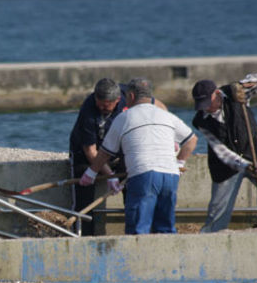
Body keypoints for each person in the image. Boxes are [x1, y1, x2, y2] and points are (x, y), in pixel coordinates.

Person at [80, 78, 197, 235]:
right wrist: (179, 162)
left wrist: (91, 172)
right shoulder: (166, 115)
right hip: (170, 177)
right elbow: (191, 140)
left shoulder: (124, 117)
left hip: (144, 176)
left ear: (131, 96)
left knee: (138, 230)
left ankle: (138, 259)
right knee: (165, 228)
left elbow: (105, 153)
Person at [68, 78, 168, 235]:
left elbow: (158, 107)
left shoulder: (129, 97)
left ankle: (137, 234)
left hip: (120, 151)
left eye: (106, 106)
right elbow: (91, 150)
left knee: (134, 192)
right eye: (99, 104)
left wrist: (167, 135)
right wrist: (110, 176)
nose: (101, 108)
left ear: (118, 100)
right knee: (83, 200)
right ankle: (84, 238)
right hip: (87, 156)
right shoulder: (88, 109)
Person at [191, 73, 257, 232]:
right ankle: (212, 234)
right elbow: (221, 151)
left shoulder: (235, 96)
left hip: (256, 154)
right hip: (226, 166)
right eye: (201, 104)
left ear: (216, 94)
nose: (206, 107)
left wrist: (241, 85)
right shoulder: (200, 121)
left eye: (207, 102)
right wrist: (245, 166)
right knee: (218, 206)